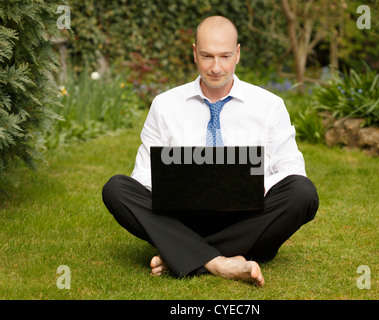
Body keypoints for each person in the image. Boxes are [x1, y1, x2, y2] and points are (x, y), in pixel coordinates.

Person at [102, 16, 319, 287]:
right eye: (207, 56)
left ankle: (183, 254)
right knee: (116, 188)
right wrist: (174, 183)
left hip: (248, 217)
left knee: (303, 193)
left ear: (237, 54)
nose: (216, 68)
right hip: (184, 217)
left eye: (225, 56)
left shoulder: (270, 106)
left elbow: (292, 171)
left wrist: (252, 185)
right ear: (194, 53)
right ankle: (218, 262)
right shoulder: (165, 105)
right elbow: (143, 176)